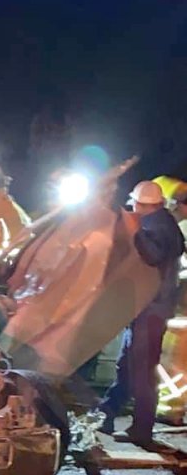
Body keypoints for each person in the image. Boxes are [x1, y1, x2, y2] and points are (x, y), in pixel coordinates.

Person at [97, 180, 185, 445]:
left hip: (152, 310)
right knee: (127, 365)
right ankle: (108, 411)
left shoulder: (157, 226)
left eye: (135, 204)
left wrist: (136, 232)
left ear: (143, 205)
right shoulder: (163, 222)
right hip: (145, 308)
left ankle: (142, 430)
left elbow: (153, 256)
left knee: (142, 370)